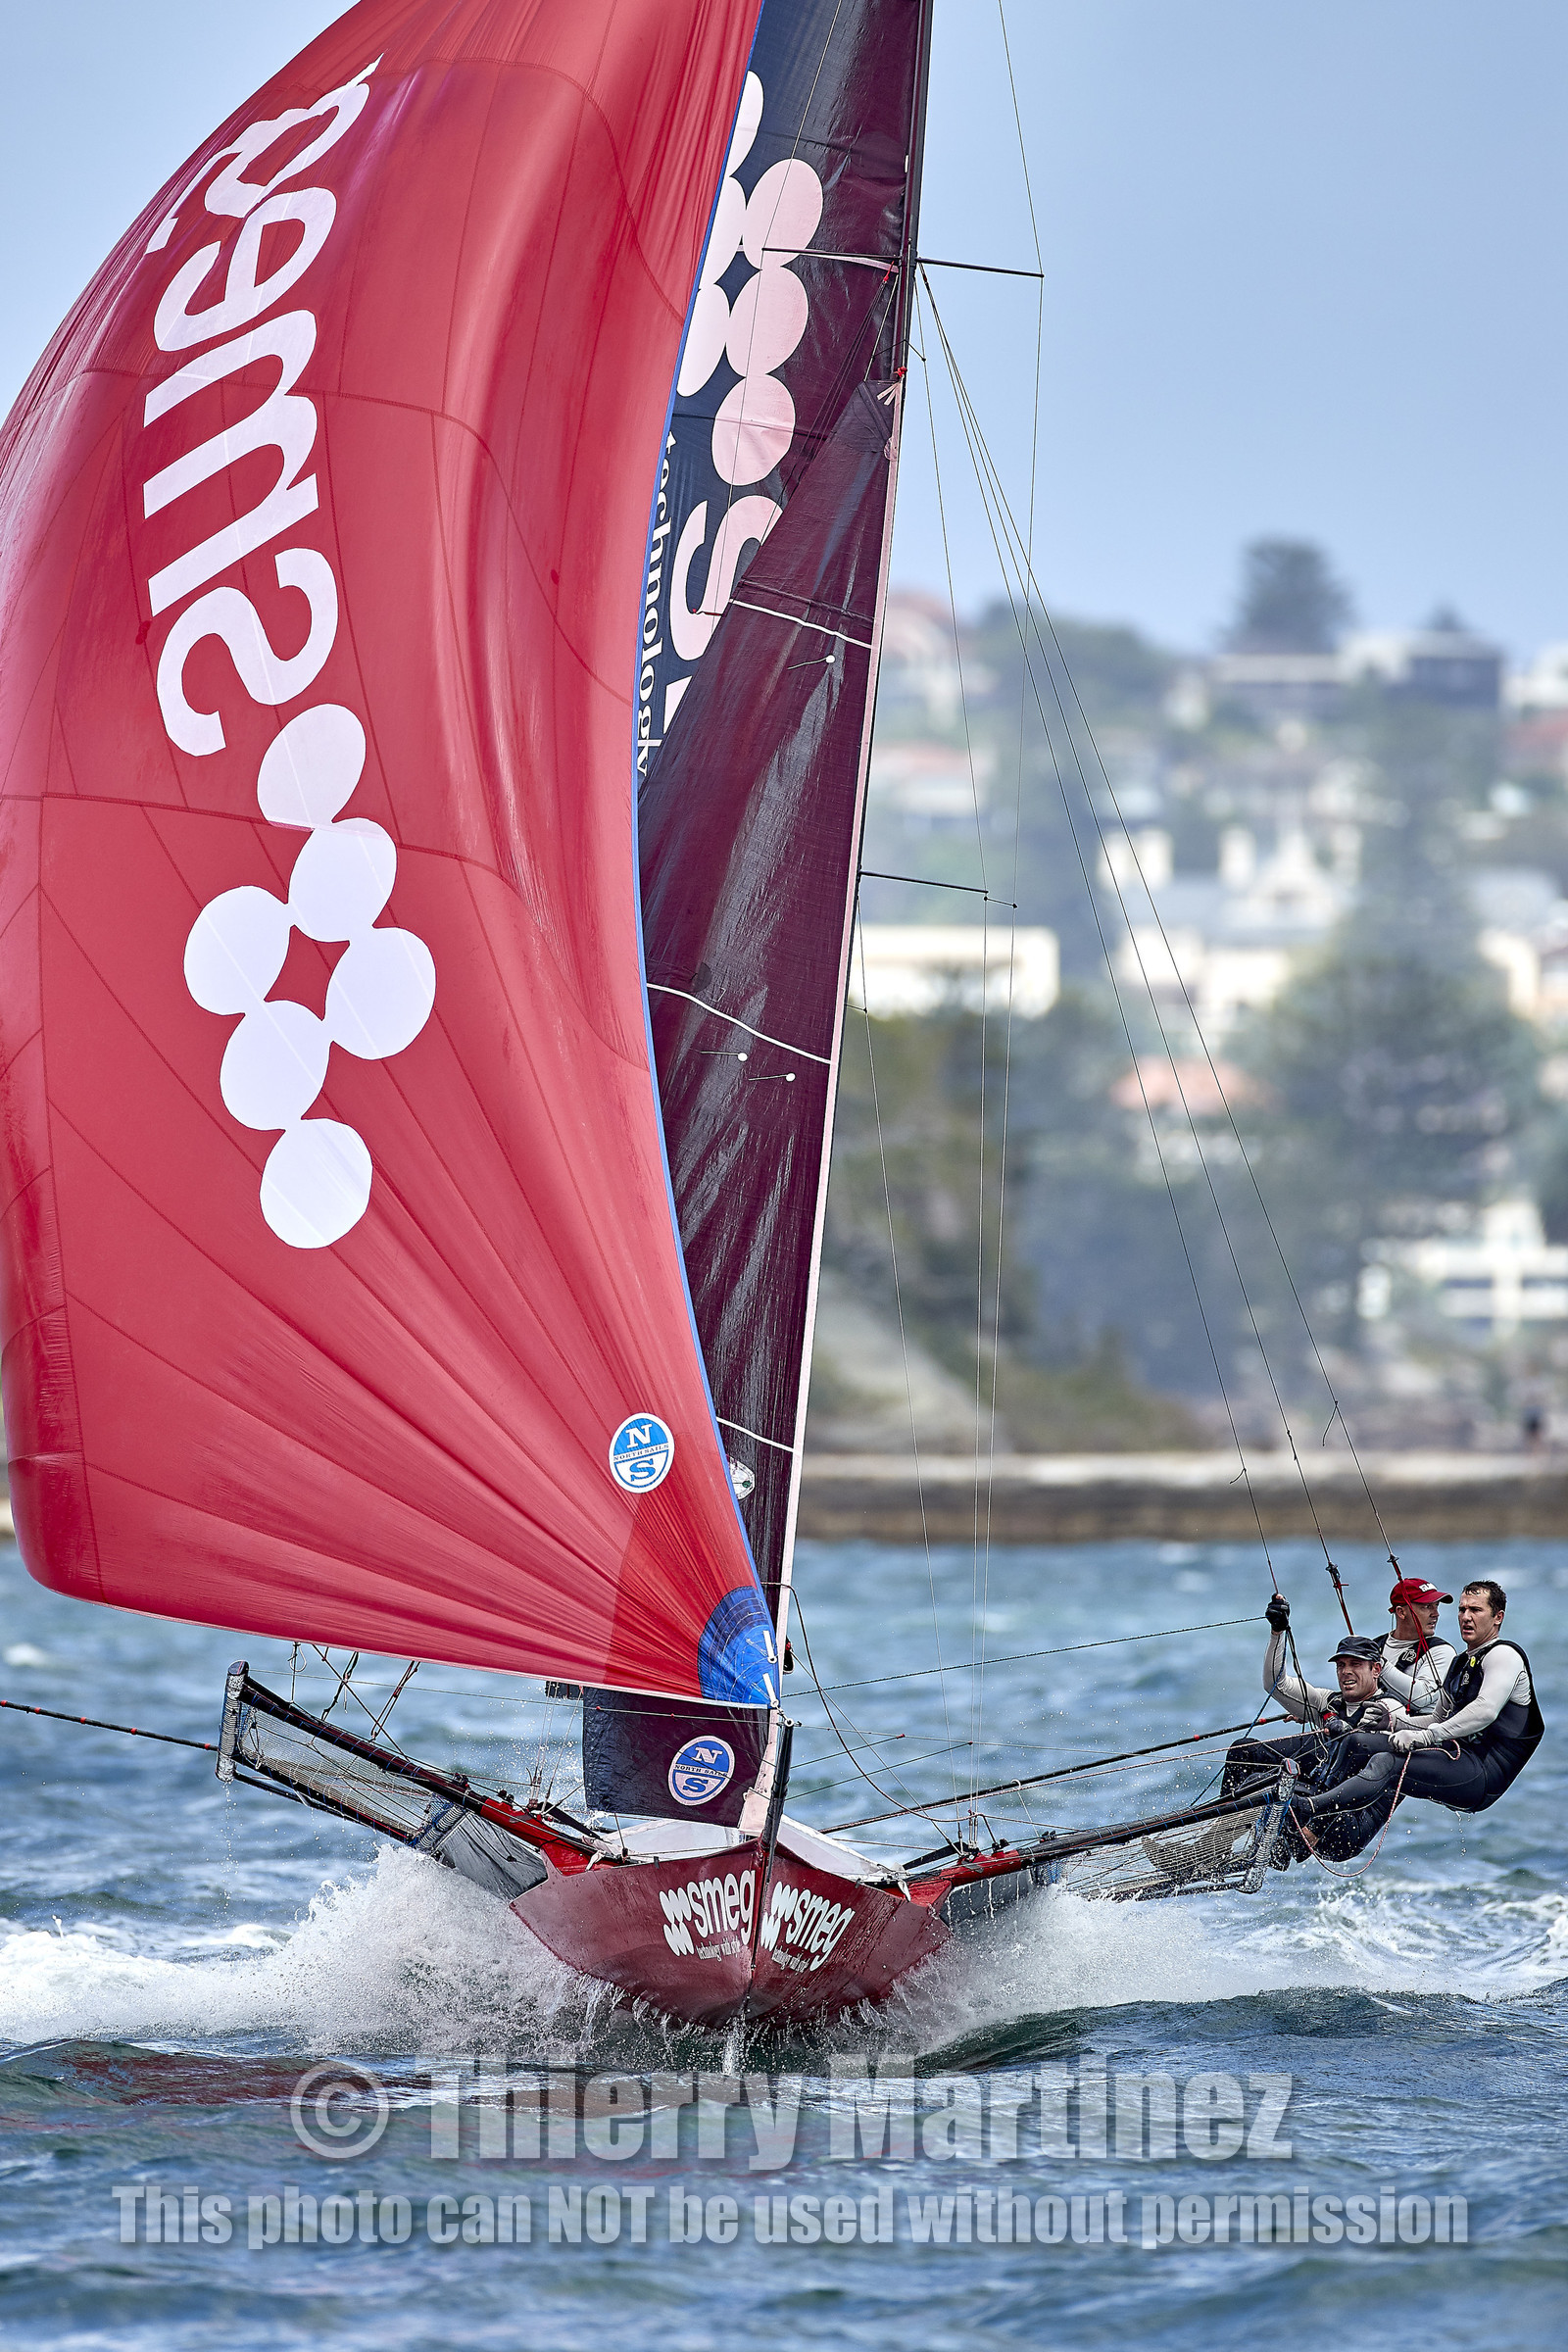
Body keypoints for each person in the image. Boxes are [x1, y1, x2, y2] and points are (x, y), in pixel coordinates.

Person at [1288, 1579, 1544, 1833]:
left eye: (1475, 1610)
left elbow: (1485, 1710)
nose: (1466, 1617)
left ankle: (1310, 1813)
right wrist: (1393, 1722)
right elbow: (1437, 1719)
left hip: (1483, 1776)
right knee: (1358, 1742)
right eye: (1462, 1609)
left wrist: (1424, 1737)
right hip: (1454, 1755)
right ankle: (1310, 1803)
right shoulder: (1459, 1664)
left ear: (1498, 1617)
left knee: (1387, 1763)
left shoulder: (1504, 1655)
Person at [1221, 1599, 1403, 1861]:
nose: (1346, 1672)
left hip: (1349, 1824)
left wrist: (1345, 1729)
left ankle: (1277, 1851)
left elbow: (1367, 1743)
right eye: (1341, 1665)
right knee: (1244, 1752)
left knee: (1272, 1789)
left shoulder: (1391, 1709)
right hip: (1316, 1798)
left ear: (1376, 1670)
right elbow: (1276, 1684)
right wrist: (1277, 1632)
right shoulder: (1330, 1702)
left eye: (1355, 1664)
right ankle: (1217, 1844)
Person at [1375, 1576, 1455, 1717]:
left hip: (1421, 1728)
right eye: (1427, 1607)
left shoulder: (1442, 1651)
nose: (1436, 1614)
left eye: (1436, 1606)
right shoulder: (1375, 1646)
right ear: (1401, 1612)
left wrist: (1379, 1664)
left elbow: (1421, 1698)